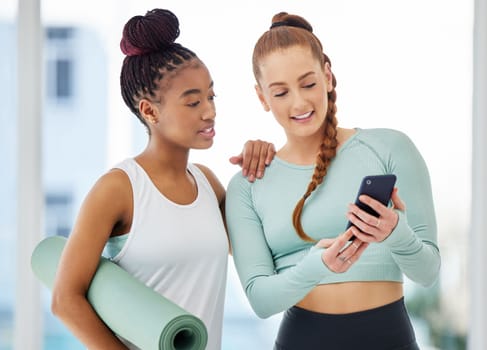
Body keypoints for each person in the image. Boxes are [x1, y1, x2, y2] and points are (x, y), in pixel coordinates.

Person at [50, 8, 275, 350]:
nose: (209, 111)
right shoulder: (119, 189)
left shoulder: (208, 185)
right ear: (150, 111)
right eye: (193, 101)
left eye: (211, 96)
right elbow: (66, 299)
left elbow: (262, 255)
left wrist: (263, 172)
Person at [225, 11, 441, 350]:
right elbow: (261, 300)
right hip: (302, 340)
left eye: (308, 83)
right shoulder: (249, 184)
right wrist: (317, 265)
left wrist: (395, 232)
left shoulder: (390, 148)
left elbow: (428, 272)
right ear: (262, 97)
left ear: (327, 75)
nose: (299, 102)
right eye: (280, 93)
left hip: (389, 338)